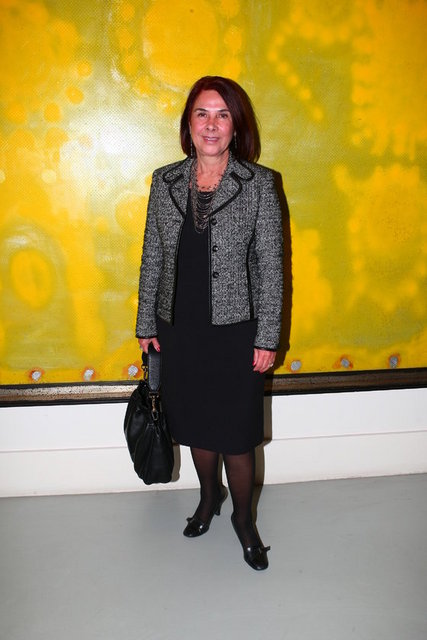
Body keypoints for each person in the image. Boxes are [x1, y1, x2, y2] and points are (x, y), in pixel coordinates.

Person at [136, 76, 283, 571]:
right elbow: (152, 256)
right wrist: (146, 323)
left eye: (223, 115)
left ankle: (244, 519)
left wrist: (267, 336)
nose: (212, 124)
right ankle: (207, 498)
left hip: (237, 329)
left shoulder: (258, 183)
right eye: (202, 113)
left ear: (236, 126)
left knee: (236, 432)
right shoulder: (165, 181)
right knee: (197, 422)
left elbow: (271, 266)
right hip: (180, 326)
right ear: (189, 124)